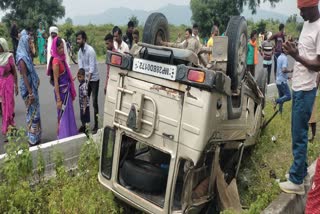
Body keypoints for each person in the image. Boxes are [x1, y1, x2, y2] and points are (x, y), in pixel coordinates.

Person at [279, 0, 320, 195]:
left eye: (303, 10)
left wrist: (296, 55)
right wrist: (295, 49)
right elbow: (305, 54)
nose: (300, 13)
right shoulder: (307, 24)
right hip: (298, 86)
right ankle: (302, 175)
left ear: (313, 6)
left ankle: (295, 181)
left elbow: (318, 65)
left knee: (299, 135)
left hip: (306, 89)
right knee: (298, 131)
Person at [47, 37, 77, 139]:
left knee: (68, 113)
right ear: (55, 48)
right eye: (59, 48)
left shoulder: (62, 59)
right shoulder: (55, 61)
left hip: (66, 91)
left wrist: (71, 79)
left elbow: (65, 76)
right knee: (63, 114)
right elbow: (56, 81)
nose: (61, 50)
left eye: (62, 48)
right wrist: (59, 100)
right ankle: (63, 136)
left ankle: (70, 134)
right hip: (62, 94)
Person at [16, 32, 41, 146]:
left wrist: (37, 78)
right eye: (28, 42)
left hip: (32, 86)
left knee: (35, 111)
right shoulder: (21, 58)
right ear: (23, 43)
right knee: (31, 112)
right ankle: (32, 138)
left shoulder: (27, 55)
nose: (30, 44)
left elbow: (32, 70)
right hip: (27, 88)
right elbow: (25, 76)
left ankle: (37, 135)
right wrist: (30, 93)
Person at [76, 30, 100, 134]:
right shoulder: (79, 52)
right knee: (84, 101)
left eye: (79, 39)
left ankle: (96, 125)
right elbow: (81, 68)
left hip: (93, 79)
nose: (78, 41)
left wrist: (86, 83)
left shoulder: (90, 51)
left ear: (84, 39)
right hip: (85, 79)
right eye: (77, 39)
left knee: (94, 102)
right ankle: (84, 124)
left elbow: (91, 68)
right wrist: (81, 81)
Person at [0, 38, 18, 141]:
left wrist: (16, 85)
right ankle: (11, 127)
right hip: (1, 83)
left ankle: (9, 131)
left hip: (9, 82)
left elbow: (14, 72)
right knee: (4, 107)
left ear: (3, 46)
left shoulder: (9, 57)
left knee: (9, 107)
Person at [77, 68, 90, 133]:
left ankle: (87, 131)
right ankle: (83, 127)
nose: (79, 78)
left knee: (85, 118)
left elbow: (85, 97)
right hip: (82, 105)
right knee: (82, 117)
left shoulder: (84, 86)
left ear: (83, 76)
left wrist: (84, 108)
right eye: (78, 77)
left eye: (80, 77)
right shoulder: (81, 84)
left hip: (85, 106)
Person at [308, 73, 320, 142]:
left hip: (312, 94)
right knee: (309, 116)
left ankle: (312, 137)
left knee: (311, 117)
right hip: (309, 92)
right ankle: (312, 136)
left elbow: (317, 79)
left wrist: (313, 91)